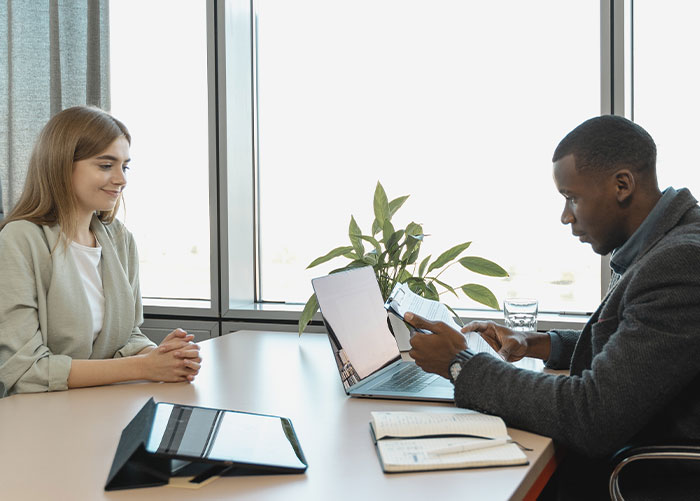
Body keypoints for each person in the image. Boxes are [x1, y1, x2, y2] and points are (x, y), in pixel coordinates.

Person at [406, 115, 700, 499]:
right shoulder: (663, 243)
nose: (566, 216)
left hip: (642, 480)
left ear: (622, 185)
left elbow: (592, 416)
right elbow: (638, 343)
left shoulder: (679, 262)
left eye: (572, 198)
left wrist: (460, 364)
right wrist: (538, 343)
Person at [0, 106, 202, 397]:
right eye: (106, 166)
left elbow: (127, 335)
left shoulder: (120, 240)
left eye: (125, 166)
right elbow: (24, 370)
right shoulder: (19, 240)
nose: (121, 179)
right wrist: (144, 367)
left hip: (104, 406)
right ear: (61, 165)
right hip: (41, 418)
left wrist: (165, 356)